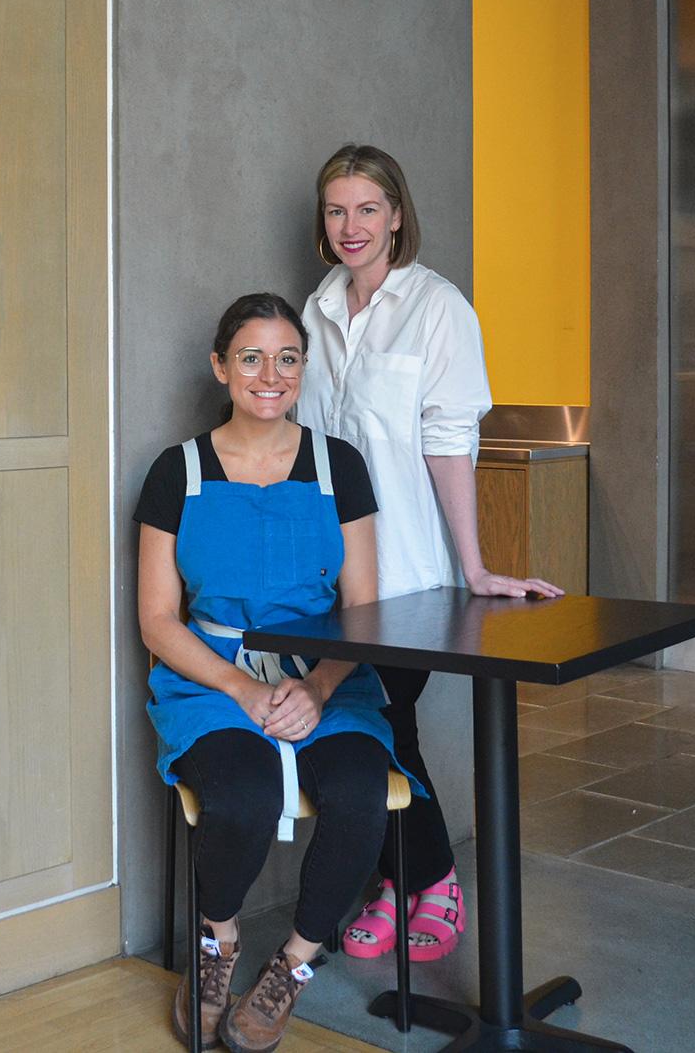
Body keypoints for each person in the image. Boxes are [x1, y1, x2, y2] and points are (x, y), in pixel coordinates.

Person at [298, 144, 564, 964]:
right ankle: (397, 878)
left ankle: (433, 876)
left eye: (367, 209)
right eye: (338, 210)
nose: (352, 227)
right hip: (323, 567)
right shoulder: (315, 310)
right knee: (351, 726)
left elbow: (451, 442)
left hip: (405, 566)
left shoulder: (439, 307)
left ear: (398, 215)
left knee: (386, 721)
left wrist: (475, 567)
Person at [136, 293, 420, 1052]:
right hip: (210, 677)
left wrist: (319, 685)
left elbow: (363, 604)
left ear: (303, 368)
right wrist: (244, 689)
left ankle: (292, 964)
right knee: (244, 792)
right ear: (220, 367)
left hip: (326, 673)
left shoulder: (340, 466)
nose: (271, 374)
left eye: (287, 357)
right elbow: (158, 620)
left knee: (363, 792)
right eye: (252, 357)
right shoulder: (178, 471)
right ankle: (218, 943)